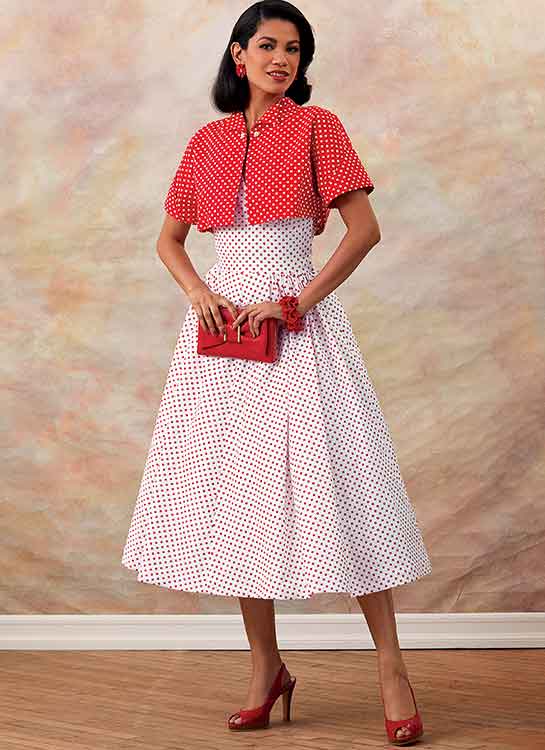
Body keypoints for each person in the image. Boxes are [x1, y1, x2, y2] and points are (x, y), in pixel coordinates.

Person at [121, 0, 432, 743]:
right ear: (238, 56)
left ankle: (392, 669)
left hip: (298, 324)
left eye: (293, 49)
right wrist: (199, 292)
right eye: (267, 46)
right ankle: (267, 667)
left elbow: (364, 231)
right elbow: (169, 241)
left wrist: (296, 302)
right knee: (237, 497)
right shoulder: (206, 141)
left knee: (347, 486)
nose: (281, 60)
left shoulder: (318, 128)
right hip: (223, 336)